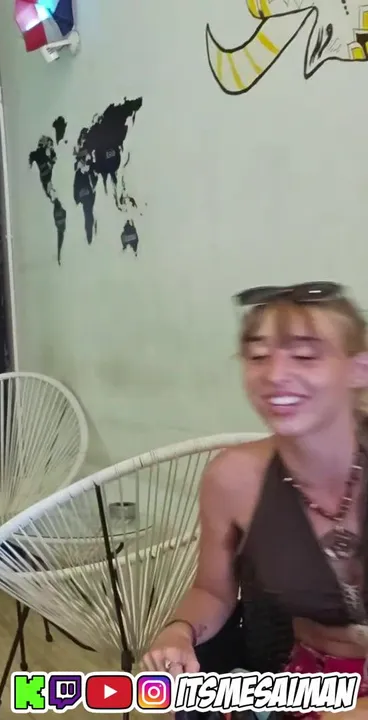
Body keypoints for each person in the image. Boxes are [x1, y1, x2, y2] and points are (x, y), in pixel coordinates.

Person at [142, 282, 368, 715]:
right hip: (312, 684)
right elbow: (213, 590)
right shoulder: (233, 479)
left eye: (305, 355)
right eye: (258, 356)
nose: (275, 375)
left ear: (359, 369)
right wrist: (179, 632)